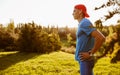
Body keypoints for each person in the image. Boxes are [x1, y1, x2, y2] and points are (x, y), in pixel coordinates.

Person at [72, 4, 105, 75]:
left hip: (86, 61)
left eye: (74, 11)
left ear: (80, 11)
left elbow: (101, 38)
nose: (72, 13)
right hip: (84, 60)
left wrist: (90, 53)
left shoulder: (84, 22)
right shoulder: (82, 23)